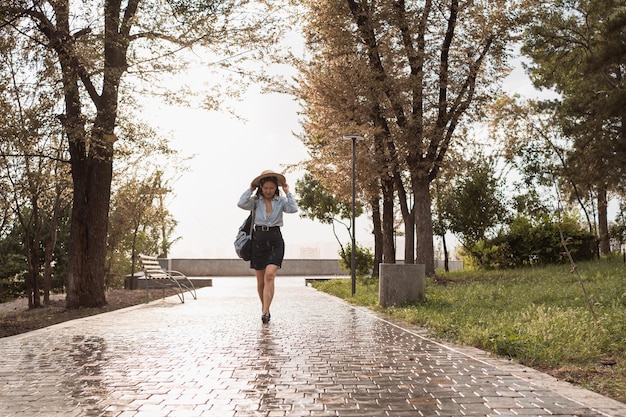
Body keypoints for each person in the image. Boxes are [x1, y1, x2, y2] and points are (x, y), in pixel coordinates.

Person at [238, 170, 298, 324]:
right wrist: (250, 189)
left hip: (275, 240)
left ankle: (265, 311)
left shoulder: (281, 201)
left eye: (271, 188)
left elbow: (293, 208)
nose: (268, 191)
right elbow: (241, 203)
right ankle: (265, 307)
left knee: (270, 275)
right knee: (261, 281)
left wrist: (287, 192)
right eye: (265, 188)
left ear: (275, 188)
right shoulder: (255, 201)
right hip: (258, 240)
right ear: (261, 187)